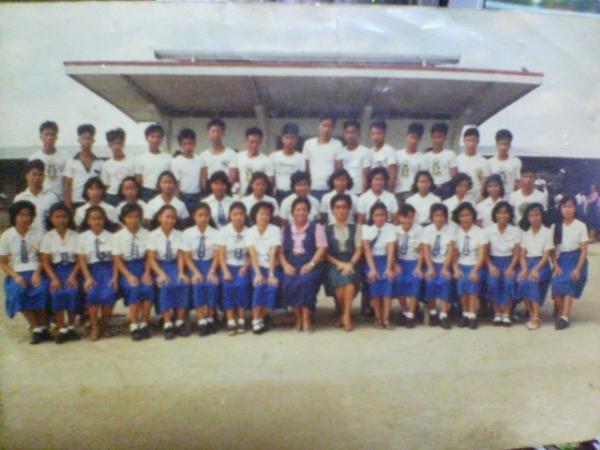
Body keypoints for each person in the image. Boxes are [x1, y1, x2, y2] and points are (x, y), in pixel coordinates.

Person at [0, 201, 50, 344]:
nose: (25, 218)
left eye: (28, 215)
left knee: (43, 289)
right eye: (21, 215)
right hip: (17, 273)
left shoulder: (38, 233)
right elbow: (3, 262)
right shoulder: (7, 236)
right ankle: (36, 327)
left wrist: (37, 273)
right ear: (14, 216)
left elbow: (43, 257)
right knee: (18, 292)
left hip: (36, 270)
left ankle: (42, 326)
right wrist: (15, 276)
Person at [280, 198, 328, 332]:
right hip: (291, 263)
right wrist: (285, 265)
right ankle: (298, 318)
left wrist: (311, 264)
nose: (301, 212)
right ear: (292, 212)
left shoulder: (316, 227)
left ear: (308, 212)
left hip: (310, 262)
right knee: (288, 283)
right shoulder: (285, 229)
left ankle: (307, 319)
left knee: (306, 282)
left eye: (304, 210)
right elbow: (280, 251)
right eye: (298, 210)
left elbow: (322, 248)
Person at [147, 205, 190, 340]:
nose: (170, 220)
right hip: (160, 266)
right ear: (160, 218)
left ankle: (180, 321)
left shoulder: (179, 234)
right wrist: (161, 274)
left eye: (173, 218)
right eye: (167, 217)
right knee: (165, 285)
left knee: (182, 283)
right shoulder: (152, 235)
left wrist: (181, 272)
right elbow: (151, 259)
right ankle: (167, 322)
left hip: (174, 265)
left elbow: (180, 255)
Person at [39, 203, 80, 343]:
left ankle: (71, 326)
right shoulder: (48, 237)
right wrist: (54, 278)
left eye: (64, 216)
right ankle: (62, 328)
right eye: (57, 217)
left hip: (72, 270)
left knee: (72, 292)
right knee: (56, 293)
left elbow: (80, 259)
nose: (61, 220)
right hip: (56, 270)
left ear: (69, 218)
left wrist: (73, 275)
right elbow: (45, 262)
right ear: (51, 219)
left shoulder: (75, 236)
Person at [112, 203, 154, 341]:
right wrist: (128, 275)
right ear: (124, 219)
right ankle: (134, 324)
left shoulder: (147, 234)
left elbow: (149, 257)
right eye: (129, 217)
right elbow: (117, 259)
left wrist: (147, 272)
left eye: (136, 217)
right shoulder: (118, 236)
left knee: (148, 287)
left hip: (143, 266)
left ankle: (144, 323)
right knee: (134, 288)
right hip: (127, 268)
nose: (133, 220)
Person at [76, 206, 117, 341]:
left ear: (104, 219)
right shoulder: (82, 237)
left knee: (109, 292)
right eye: (93, 219)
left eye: (99, 218)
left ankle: (104, 325)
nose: (97, 221)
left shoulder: (111, 237)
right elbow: (82, 260)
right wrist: (87, 277)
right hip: (91, 269)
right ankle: (94, 327)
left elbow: (116, 259)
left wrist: (115, 276)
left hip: (108, 269)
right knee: (92, 293)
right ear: (88, 221)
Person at [324, 194, 362, 331]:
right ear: (333, 210)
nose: (341, 210)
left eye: (344, 207)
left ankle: (345, 316)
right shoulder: (326, 229)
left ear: (349, 209)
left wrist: (350, 264)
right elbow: (324, 253)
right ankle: (346, 313)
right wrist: (339, 264)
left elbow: (359, 250)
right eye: (338, 207)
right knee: (340, 290)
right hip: (333, 263)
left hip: (352, 262)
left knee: (348, 283)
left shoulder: (356, 227)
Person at [182, 203, 221, 336]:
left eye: (206, 215)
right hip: (194, 264)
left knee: (212, 283)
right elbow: (186, 257)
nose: (203, 218)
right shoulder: (188, 233)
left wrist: (212, 271)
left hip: (211, 264)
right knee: (197, 284)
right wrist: (195, 272)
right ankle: (201, 319)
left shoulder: (216, 233)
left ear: (210, 217)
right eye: (200, 215)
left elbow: (217, 255)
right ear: (194, 217)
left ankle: (210, 317)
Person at [551, 197, 589, 330]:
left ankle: (565, 317)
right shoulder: (556, 226)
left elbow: (584, 251)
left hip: (576, 259)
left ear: (575, 209)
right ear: (560, 209)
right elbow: (552, 250)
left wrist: (578, 269)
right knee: (556, 283)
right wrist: (555, 265)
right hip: (561, 260)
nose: (567, 210)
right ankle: (562, 313)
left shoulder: (581, 226)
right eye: (564, 207)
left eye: (570, 206)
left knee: (570, 281)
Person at [517, 203, 553, 330]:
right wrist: (524, 269)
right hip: (527, 263)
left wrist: (536, 270)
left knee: (532, 281)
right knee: (521, 281)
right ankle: (532, 313)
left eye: (537, 215)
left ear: (541, 215)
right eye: (531, 215)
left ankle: (536, 317)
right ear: (527, 218)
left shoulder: (547, 232)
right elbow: (522, 255)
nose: (534, 218)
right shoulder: (525, 233)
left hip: (541, 264)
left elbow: (546, 255)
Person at [452, 202, 488, 330]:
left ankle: (473, 315)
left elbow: (482, 254)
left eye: (468, 215)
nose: (465, 218)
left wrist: (475, 270)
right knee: (462, 286)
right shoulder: (455, 233)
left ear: (473, 216)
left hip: (475, 265)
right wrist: (456, 269)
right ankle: (465, 314)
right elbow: (454, 254)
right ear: (458, 218)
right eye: (462, 216)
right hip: (461, 265)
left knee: (472, 286)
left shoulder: (480, 232)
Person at [247, 202, 281, 334]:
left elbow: (273, 253)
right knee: (259, 285)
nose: (264, 216)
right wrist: (257, 273)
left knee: (272, 287)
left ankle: (263, 316)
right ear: (255, 215)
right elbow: (252, 254)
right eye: (261, 213)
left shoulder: (275, 230)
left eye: (267, 214)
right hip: (257, 266)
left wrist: (271, 274)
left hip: (272, 266)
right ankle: (256, 320)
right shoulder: (249, 232)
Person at [218, 202, 252, 335]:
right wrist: (225, 271)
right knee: (228, 286)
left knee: (242, 285)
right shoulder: (224, 231)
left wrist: (245, 266)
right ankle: (230, 319)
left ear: (245, 216)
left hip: (243, 266)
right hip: (228, 265)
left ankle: (242, 318)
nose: (238, 217)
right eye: (235, 214)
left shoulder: (249, 231)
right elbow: (221, 254)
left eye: (241, 214)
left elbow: (251, 254)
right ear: (230, 216)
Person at [485, 201, 520, 327]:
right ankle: (497, 312)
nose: (503, 215)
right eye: (500, 213)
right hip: (494, 261)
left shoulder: (515, 231)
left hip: (510, 261)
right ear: (495, 214)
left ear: (510, 215)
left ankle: (507, 313)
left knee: (510, 282)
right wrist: (490, 266)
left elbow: (516, 253)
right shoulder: (488, 230)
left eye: (506, 213)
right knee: (492, 282)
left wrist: (511, 267)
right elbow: (484, 253)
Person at [362, 202, 396, 329]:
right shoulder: (367, 229)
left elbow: (391, 250)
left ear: (386, 216)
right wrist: (372, 269)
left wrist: (388, 268)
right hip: (372, 261)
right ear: (372, 216)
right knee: (374, 281)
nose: (380, 218)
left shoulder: (390, 228)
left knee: (388, 281)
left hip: (386, 260)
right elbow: (367, 250)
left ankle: (386, 317)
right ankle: (378, 317)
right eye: (376, 215)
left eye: (382, 215)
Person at [421, 203, 455, 329]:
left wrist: (445, 268)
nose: (439, 218)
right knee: (430, 282)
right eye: (436, 215)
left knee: (445, 282)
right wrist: (430, 268)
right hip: (432, 262)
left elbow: (451, 250)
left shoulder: (451, 230)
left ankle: (444, 315)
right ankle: (433, 312)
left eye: (442, 216)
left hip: (445, 262)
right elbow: (426, 250)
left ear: (446, 217)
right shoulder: (427, 230)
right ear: (432, 217)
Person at [393, 204, 424, 329]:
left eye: (410, 217)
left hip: (414, 262)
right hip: (400, 262)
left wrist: (419, 267)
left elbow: (422, 251)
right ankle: (404, 310)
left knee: (415, 280)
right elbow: (392, 251)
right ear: (399, 217)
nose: (407, 220)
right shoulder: (395, 230)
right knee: (399, 280)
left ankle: (411, 314)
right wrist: (395, 264)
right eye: (404, 217)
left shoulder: (419, 230)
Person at [303, 113, 343, 200]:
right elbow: (306, 169)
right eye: (324, 125)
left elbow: (338, 168)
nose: (326, 129)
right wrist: (307, 187)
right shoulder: (309, 143)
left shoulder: (337, 144)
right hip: (312, 188)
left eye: (330, 126)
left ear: (333, 128)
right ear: (319, 126)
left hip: (330, 188)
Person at [14, 159, 59, 234]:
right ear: (27, 176)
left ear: (44, 177)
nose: (37, 177)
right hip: (27, 237)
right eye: (34, 174)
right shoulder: (19, 198)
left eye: (40, 174)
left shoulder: (52, 198)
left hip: (47, 237)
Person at [64, 124, 102, 209]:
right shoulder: (72, 161)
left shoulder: (99, 163)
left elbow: (102, 185)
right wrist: (68, 206)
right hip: (76, 202)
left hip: (94, 203)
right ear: (79, 140)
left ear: (93, 140)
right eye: (83, 138)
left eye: (88, 139)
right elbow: (67, 186)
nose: (86, 142)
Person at [28, 121, 68, 200]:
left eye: (52, 134)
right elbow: (30, 181)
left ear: (56, 137)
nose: (49, 138)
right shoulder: (33, 158)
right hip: (41, 198)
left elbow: (67, 182)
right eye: (46, 134)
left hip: (59, 199)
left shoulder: (65, 157)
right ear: (41, 136)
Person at [229, 127, 274, 197]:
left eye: (257, 142)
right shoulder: (237, 157)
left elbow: (270, 183)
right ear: (246, 141)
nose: (254, 145)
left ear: (261, 142)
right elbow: (232, 180)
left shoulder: (267, 160)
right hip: (242, 197)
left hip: (259, 197)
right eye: (251, 142)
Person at [270, 123, 306, 203]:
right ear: (282, 139)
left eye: (293, 138)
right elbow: (271, 178)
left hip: (294, 194)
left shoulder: (301, 158)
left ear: (296, 140)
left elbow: (301, 179)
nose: (290, 141)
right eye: (287, 138)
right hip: (278, 194)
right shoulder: (274, 156)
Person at [135, 124, 172, 202]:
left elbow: (171, 178)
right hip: (146, 193)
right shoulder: (140, 158)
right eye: (152, 136)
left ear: (162, 139)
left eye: (158, 137)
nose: (155, 139)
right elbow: (138, 180)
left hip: (164, 192)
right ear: (147, 138)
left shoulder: (169, 158)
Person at [170, 128, 203, 215]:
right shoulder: (176, 161)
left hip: (197, 196)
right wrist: (177, 200)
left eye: (190, 143)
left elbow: (202, 180)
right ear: (180, 145)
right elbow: (176, 183)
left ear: (195, 144)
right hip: (183, 196)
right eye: (184, 144)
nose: (188, 147)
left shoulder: (200, 160)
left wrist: (202, 196)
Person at [199, 118, 237, 192]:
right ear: (208, 134)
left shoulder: (232, 154)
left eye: (218, 131)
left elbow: (233, 178)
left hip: (226, 191)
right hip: (209, 192)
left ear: (223, 134)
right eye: (213, 131)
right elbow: (203, 178)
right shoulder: (203, 156)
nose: (216, 134)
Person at [100, 128, 136, 206]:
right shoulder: (106, 164)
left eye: (119, 143)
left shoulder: (133, 161)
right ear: (109, 145)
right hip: (111, 196)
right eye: (113, 144)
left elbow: (136, 181)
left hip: (127, 196)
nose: (116, 146)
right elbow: (105, 184)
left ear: (123, 144)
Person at [395, 122, 427, 206]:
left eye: (416, 138)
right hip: (397, 191)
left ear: (420, 139)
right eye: (411, 137)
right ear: (407, 136)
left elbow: (422, 178)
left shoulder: (422, 158)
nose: (413, 141)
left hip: (412, 192)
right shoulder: (397, 154)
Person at [424, 123, 457, 199]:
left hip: (447, 188)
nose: (437, 140)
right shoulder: (426, 156)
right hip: (431, 188)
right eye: (434, 137)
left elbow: (454, 176)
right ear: (431, 137)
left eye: (440, 137)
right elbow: (425, 175)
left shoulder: (451, 154)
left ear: (445, 137)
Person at [456, 127, 490, 202]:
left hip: (477, 200)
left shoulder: (484, 162)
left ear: (478, 141)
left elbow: (485, 183)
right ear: (464, 141)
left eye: (473, 140)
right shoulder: (457, 160)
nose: (471, 143)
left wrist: (482, 197)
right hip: (461, 199)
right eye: (468, 140)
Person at [338, 120, 371, 195]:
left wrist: (364, 194)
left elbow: (366, 176)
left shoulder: (365, 151)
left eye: (353, 132)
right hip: (345, 192)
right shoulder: (341, 152)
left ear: (358, 133)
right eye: (347, 132)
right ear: (344, 134)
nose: (350, 135)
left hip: (359, 191)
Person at [488, 129, 521, 197]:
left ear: (510, 145)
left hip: (511, 197)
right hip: (495, 198)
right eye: (501, 144)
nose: (503, 147)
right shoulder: (489, 162)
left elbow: (518, 183)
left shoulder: (516, 161)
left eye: (506, 144)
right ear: (496, 144)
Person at [368, 120, 397, 192]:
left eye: (378, 133)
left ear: (384, 134)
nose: (375, 136)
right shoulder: (369, 152)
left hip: (385, 188)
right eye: (373, 134)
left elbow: (392, 175)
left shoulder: (389, 151)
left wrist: (389, 193)